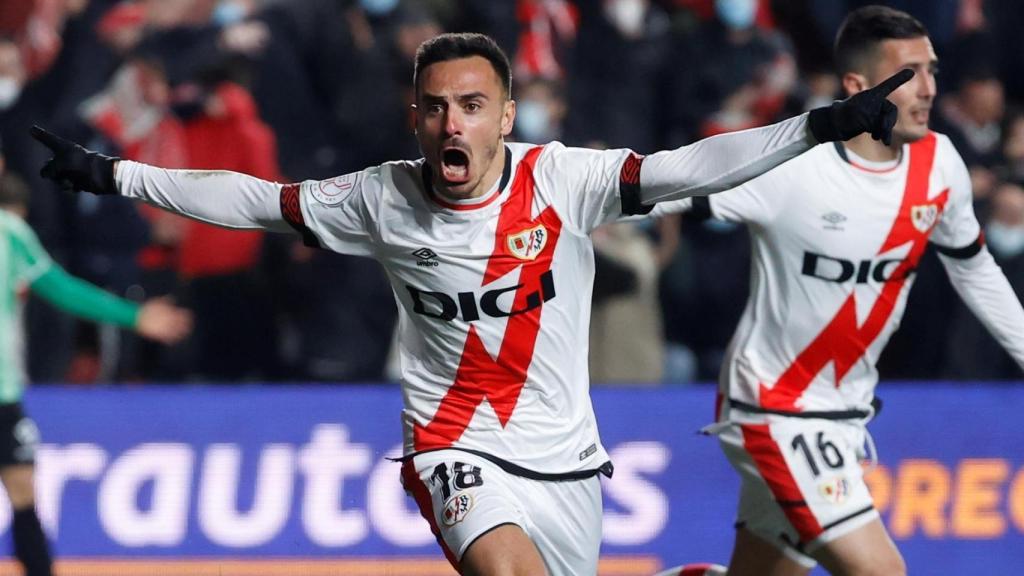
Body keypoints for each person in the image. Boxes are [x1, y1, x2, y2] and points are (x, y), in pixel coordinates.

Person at [30, 32, 909, 576]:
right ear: (414, 118)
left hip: (568, 464)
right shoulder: (378, 196)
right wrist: (117, 175)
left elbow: (689, 166)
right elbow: (256, 199)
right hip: (454, 444)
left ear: (507, 115)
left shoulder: (563, 179)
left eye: (473, 106)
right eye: (436, 107)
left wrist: (819, 124)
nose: (454, 124)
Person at [651, 6, 1024, 575]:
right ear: (859, 86)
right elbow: (656, 191)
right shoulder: (792, 167)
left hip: (846, 415)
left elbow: (973, 267)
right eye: (909, 73)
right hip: (773, 407)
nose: (927, 89)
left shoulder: (940, 164)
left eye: (932, 70)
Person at [0, 170, 192, 576]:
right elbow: (61, 289)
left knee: (21, 487)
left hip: (3, 391)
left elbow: (60, 289)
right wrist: (134, 316)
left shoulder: (8, 232)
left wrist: (133, 315)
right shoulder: (11, 230)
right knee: (21, 488)